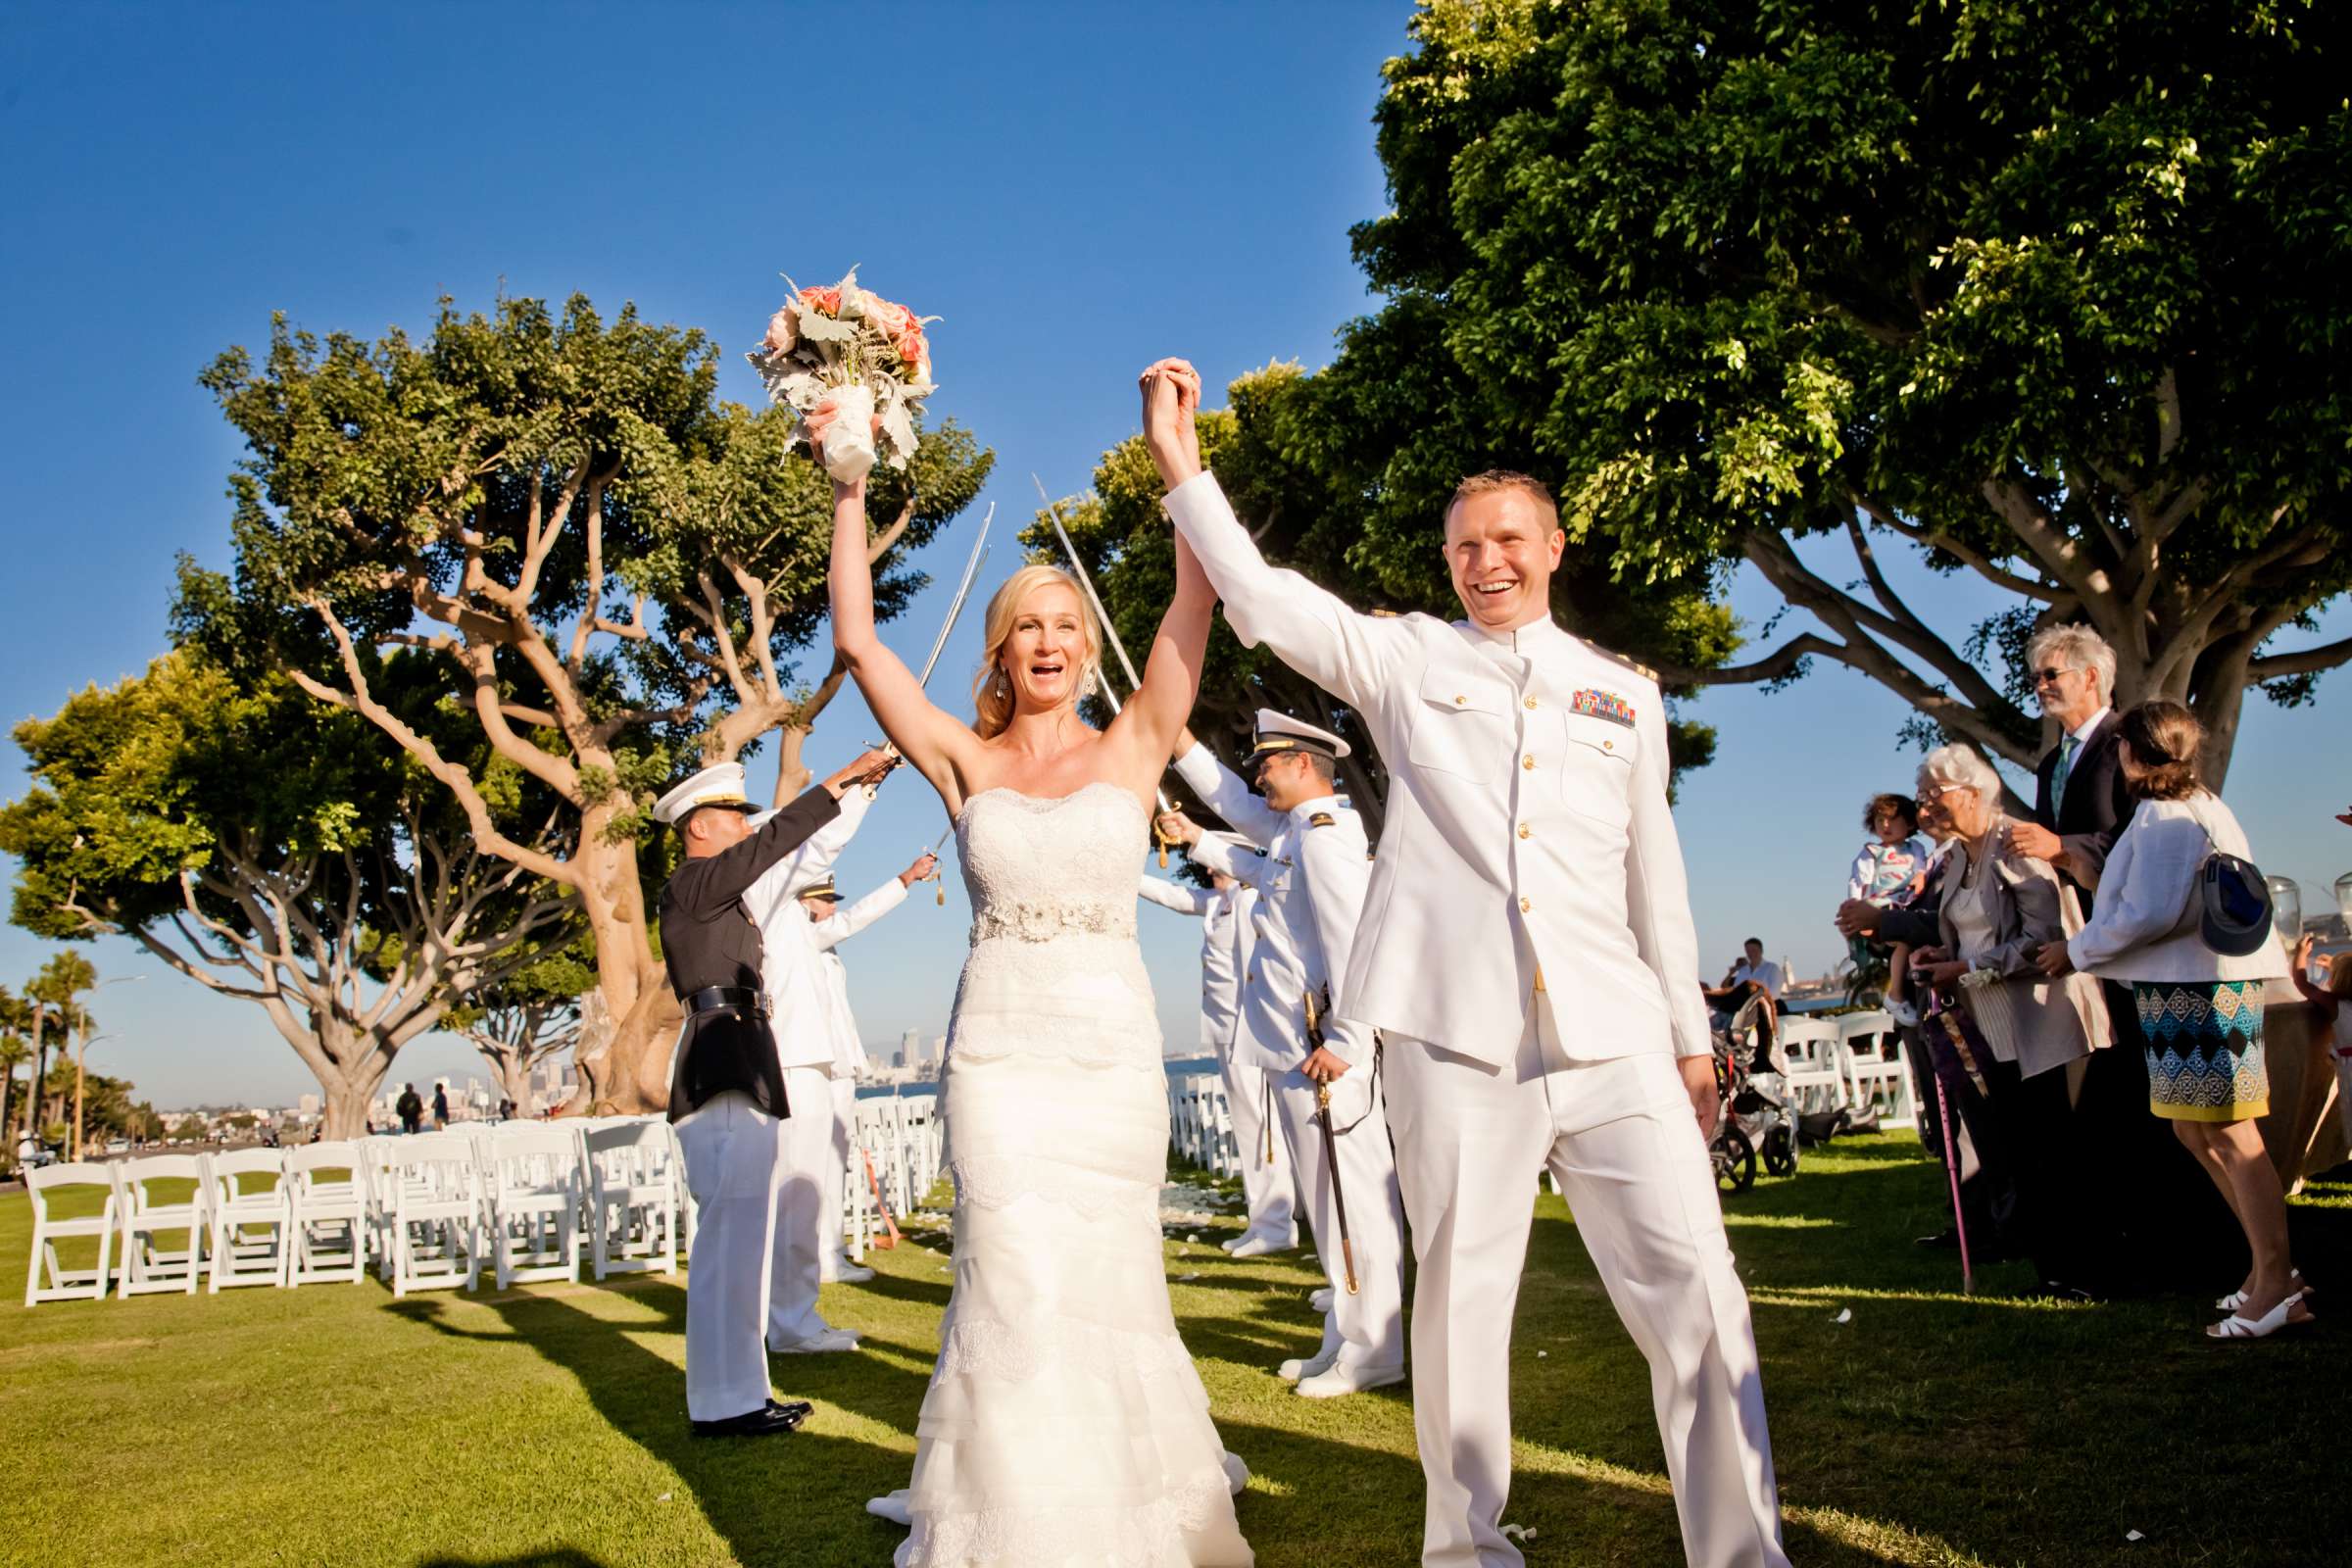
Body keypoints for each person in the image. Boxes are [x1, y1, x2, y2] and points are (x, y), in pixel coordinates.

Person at [1150, 357, 1783, 1568]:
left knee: (1704, 1302)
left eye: (1505, 539)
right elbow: (1273, 604)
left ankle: (1745, 1553)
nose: (1483, 560)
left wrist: (1695, 1046)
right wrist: (1185, 469)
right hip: (1456, 1039)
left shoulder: (1624, 697)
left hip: (1618, 1035)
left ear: (1551, 548)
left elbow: (1659, 878)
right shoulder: (1407, 659)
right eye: (1461, 546)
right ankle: (1466, 1552)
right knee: (1457, 1311)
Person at [831, 363, 1251, 1565]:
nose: (1054, 642)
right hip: (1001, 1055)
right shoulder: (964, 759)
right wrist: (852, 479)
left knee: (1111, 1280)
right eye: (1032, 628)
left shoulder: (1135, 746)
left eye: (1070, 625)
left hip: (1110, 1051)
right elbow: (860, 642)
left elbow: (1194, 607)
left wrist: (1179, 453)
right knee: (1010, 1278)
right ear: (1002, 653)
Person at [1159, 711, 1411, 1397]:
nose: (1256, 771)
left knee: (1350, 1199)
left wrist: (1347, 1042)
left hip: (1322, 1053)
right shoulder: (1299, 833)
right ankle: (1347, 1335)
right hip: (1295, 1049)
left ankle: (1376, 1348)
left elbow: (1357, 944)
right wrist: (1178, 743)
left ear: (1303, 764)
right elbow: (1241, 823)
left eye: (1266, 761)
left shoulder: (1325, 840)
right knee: (1330, 1202)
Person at [2034, 701, 2305, 1340]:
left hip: (2201, 991)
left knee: (2233, 1137)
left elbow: (2148, 911)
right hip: (2184, 989)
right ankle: (2266, 1274)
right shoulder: (2197, 806)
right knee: (2196, 1133)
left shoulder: (2164, 817)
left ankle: (2277, 1282)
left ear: (2132, 752)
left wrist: (2074, 950)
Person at [654, 750, 891, 1440]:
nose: (745, 827)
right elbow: (777, 843)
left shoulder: (723, 894)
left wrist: (864, 789)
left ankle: (737, 1394)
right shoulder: (693, 885)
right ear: (700, 826)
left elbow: (798, 851)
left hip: (744, 1054)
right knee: (730, 1242)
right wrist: (839, 778)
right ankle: (726, 1401)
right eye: (734, 816)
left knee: (740, 1243)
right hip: (722, 1057)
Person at [2003, 623, 2231, 1292]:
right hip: (2099, 951)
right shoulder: (2051, 763)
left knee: (2149, 1113)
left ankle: (2183, 1254)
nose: (2040, 686)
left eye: (2052, 675)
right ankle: (2145, 1254)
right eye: (2037, 676)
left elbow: (2139, 843)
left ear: (2093, 678)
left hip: (2144, 957)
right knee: (2139, 1110)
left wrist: (2063, 849)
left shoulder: (2129, 746)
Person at [1904, 745, 2109, 1295]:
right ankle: (2052, 1265)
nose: (1927, 807)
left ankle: (2079, 1269)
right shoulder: (1955, 857)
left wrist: (1965, 967)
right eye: (1924, 796)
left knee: (2052, 1149)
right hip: (1986, 1023)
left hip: (2039, 1019)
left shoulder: (2014, 843)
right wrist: (1934, 958)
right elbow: (1959, 931)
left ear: (1973, 793)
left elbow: (2043, 940)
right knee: (2017, 1148)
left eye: (1935, 795)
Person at [1138, 846, 1300, 1256]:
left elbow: (1255, 970)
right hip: (1226, 1033)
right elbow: (1174, 897)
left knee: (1261, 1129)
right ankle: (1263, 1218)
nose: (1208, 868)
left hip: (1249, 1032)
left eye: (1217, 861)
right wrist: (1125, 872)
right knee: (1249, 1129)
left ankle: (1277, 1223)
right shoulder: (1219, 902)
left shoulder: (1246, 901)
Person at [804, 851, 938, 1285]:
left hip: (839, 1064)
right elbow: (858, 918)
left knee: (835, 1162)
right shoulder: (805, 938)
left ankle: (830, 1252)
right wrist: (904, 879)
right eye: (825, 900)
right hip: (821, 1065)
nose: (833, 906)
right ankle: (821, 1256)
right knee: (821, 1163)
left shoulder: (821, 943)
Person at [1847, 794, 1934, 1021]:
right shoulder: (1872, 853)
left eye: (1892, 819)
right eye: (1879, 820)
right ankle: (1895, 994)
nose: (1885, 826)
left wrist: (1920, 876)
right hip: (1882, 906)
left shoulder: (1914, 848)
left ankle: (1902, 991)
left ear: (1909, 822)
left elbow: (1921, 867)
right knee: (1904, 943)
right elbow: (1858, 882)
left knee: (1908, 944)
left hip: (1905, 904)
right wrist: (1856, 912)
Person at [1705, 938, 1785, 1070]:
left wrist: (1756, 1000)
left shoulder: (1772, 968)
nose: (1751, 953)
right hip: (1747, 1012)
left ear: (1761, 950)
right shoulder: (1743, 971)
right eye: (1748, 950)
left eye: (1753, 950)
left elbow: (1774, 993)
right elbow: (1735, 992)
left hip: (1772, 1008)